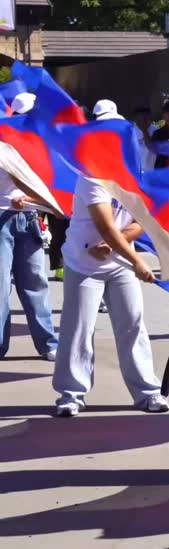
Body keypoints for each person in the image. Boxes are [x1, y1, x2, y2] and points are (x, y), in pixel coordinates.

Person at [53, 100, 169, 417]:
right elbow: (105, 222)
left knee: (132, 323)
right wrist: (137, 261)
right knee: (79, 327)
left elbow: (140, 220)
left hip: (117, 262)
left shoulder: (132, 174)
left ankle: (148, 392)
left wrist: (117, 248)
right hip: (84, 263)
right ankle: (71, 394)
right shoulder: (90, 175)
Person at [0, 91, 58, 361]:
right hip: (2, 220)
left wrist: (37, 201)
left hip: (31, 219)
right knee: (1, 288)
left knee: (35, 284)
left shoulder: (41, 146)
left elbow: (50, 185)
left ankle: (48, 343)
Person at [132, 105, 156, 172]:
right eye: (141, 119)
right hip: (136, 173)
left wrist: (145, 131)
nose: (144, 121)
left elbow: (152, 148)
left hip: (152, 172)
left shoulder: (156, 130)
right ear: (135, 119)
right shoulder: (130, 132)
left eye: (146, 117)